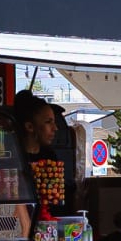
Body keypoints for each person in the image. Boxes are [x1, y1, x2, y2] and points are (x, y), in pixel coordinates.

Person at [11, 90, 76, 231]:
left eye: (54, 122)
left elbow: (58, 204)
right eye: (48, 122)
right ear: (29, 127)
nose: (55, 128)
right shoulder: (12, 157)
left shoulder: (50, 157)